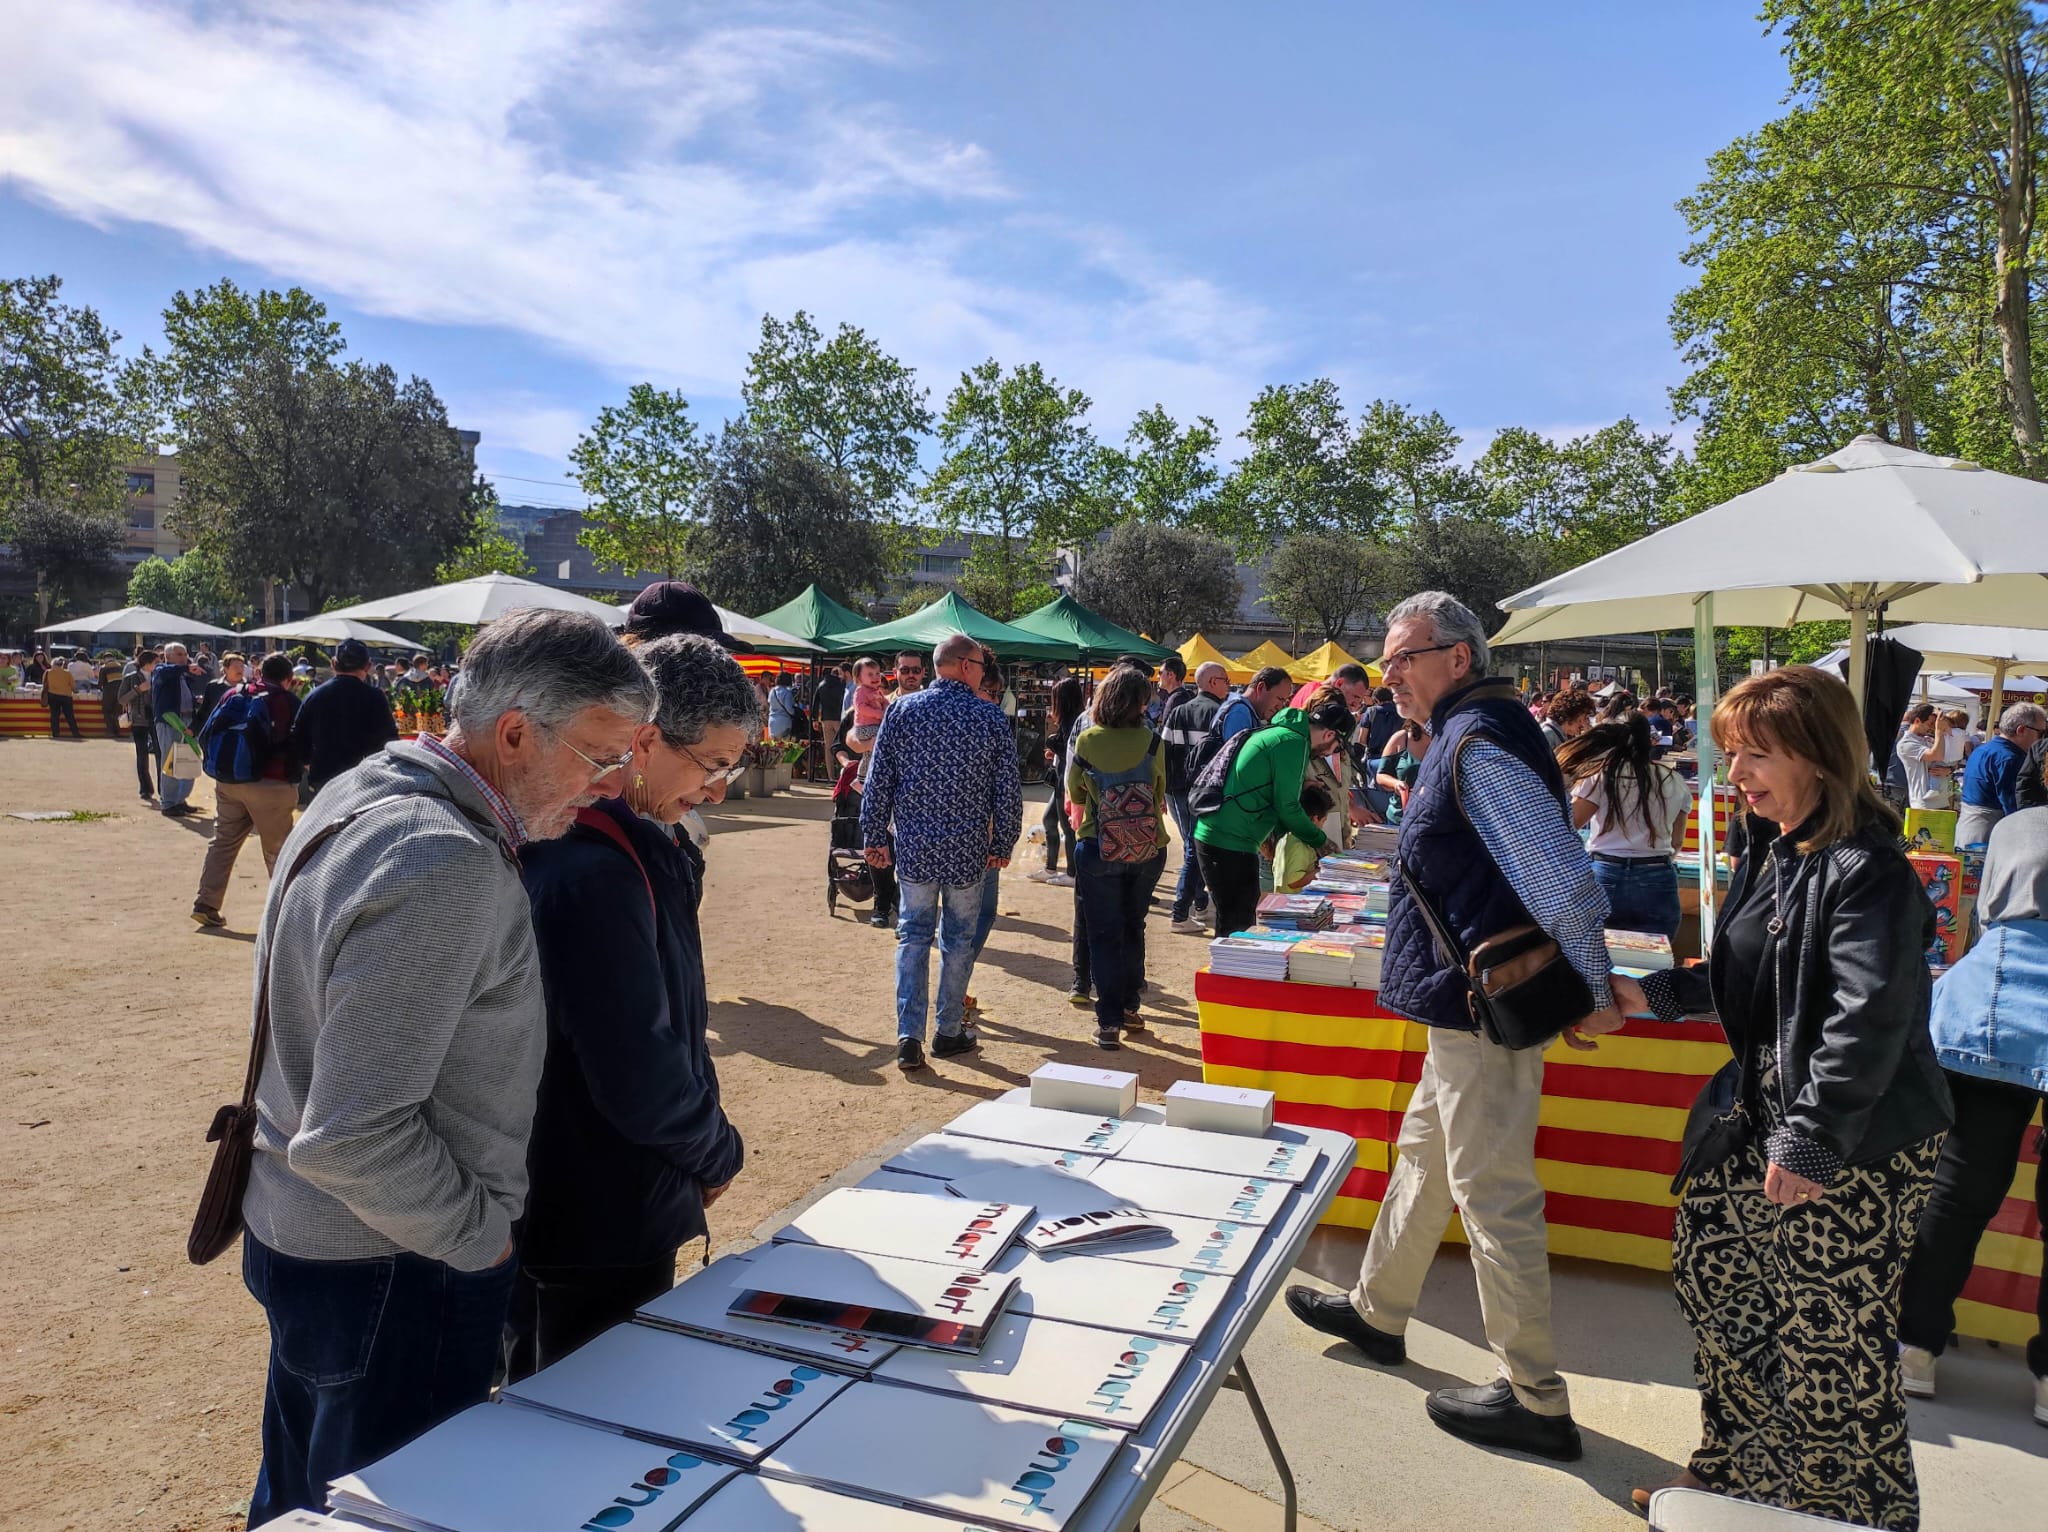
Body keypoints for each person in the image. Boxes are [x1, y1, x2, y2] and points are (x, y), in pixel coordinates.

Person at [237, 609, 654, 1526]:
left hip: (324, 1243)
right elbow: (354, 1136)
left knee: (308, 1497)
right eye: (599, 757)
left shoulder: (371, 790)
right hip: (396, 1262)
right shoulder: (442, 856)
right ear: (514, 733)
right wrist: (484, 1243)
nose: (612, 787)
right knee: (394, 1507)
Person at [1286, 590, 1626, 1464]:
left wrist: (1592, 984)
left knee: (1490, 1189)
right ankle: (1377, 1312)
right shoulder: (1475, 732)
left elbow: (1561, 879)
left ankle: (1535, 1397)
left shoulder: (1479, 741)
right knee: (1426, 1154)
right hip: (1463, 1004)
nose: (1388, 674)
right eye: (1389, 658)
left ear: (1459, 658)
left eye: (1404, 657)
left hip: (1483, 1007)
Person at [1623, 666, 1953, 1525]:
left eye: (1755, 756)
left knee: (1830, 1343)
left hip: (1855, 1139)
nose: (1735, 778)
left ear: (1818, 756)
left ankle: (1856, 1514)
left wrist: (1813, 1138)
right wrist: (1658, 995)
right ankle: (1740, 1471)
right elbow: (1755, 969)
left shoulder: (1866, 869)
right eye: (1732, 756)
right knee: (1719, 1282)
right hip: (1761, 1121)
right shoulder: (1779, 846)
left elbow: (1866, 1016)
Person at [511, 634, 754, 1374]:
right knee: (585, 1410)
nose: (718, 790)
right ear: (643, 742)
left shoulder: (628, 845)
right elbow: (636, 1069)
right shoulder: (596, 867)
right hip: (594, 1213)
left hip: (602, 1198)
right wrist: (716, 1151)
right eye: (713, 766)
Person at [1897, 797, 2048, 1427]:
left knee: (1956, 1195)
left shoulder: (2019, 824)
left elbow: (1984, 915)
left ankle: (1916, 1348)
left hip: (1991, 1003)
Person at [859, 633, 1021, 1072]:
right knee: (957, 940)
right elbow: (1007, 791)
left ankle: (908, 1036)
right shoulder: (989, 719)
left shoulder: (902, 711)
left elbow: (879, 781)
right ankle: (947, 1030)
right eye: (982, 668)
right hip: (968, 849)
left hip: (914, 846)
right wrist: (1004, 840)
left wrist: (873, 836)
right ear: (967, 666)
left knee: (912, 936)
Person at [1068, 666, 1170, 1048]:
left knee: (1104, 933)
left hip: (1099, 845)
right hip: (1148, 847)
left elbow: (1076, 794)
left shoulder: (1088, 740)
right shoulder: (1152, 741)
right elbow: (1159, 791)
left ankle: (1108, 1021)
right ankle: (1130, 1004)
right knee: (1134, 925)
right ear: (1141, 703)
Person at [1193, 699, 1345, 939]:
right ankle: (1231, 976)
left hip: (1223, 834)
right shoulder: (1294, 742)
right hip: (1229, 840)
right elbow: (1287, 807)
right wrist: (1321, 842)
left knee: (1235, 918)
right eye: (1335, 748)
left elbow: (1276, 799)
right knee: (1237, 925)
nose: (1328, 754)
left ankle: (1231, 973)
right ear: (1329, 734)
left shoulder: (1280, 733)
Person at [192, 653, 303, 929]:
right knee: (278, 851)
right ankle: (285, 917)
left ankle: (206, 903)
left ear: (258, 671)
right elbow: (299, 741)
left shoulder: (234, 693)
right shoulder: (287, 700)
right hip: (271, 784)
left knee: (223, 842)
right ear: (289, 678)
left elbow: (208, 731)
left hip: (229, 781)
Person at [1558, 714, 1692, 939]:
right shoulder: (1674, 780)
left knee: (1597, 955)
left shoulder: (1601, 777)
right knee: (1655, 958)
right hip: (1657, 874)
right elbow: (1677, 840)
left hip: (1605, 872)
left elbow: (1570, 824)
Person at [1159, 661, 1229, 932]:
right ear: (1213, 682)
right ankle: (1181, 912)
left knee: (1192, 846)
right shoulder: (1220, 714)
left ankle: (1198, 903)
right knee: (1194, 848)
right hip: (1206, 791)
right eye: (1225, 679)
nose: (1228, 684)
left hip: (1177, 787)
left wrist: (1162, 791)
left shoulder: (1178, 712)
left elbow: (1163, 752)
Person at [293, 639, 401, 797]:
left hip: (324, 779)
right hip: (364, 780)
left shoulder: (315, 696)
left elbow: (297, 735)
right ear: (368, 666)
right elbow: (390, 742)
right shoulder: (375, 698)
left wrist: (310, 763)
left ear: (333, 663)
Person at [1959, 702, 2046, 848]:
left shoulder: (1984, 749)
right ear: (2021, 730)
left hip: (1968, 828)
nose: (2042, 739)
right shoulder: (2010, 759)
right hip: (1989, 834)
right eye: (2041, 733)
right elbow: (2015, 807)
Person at [1028, 676, 1086, 885]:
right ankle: (1051, 867)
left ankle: (1072, 872)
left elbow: (1072, 750)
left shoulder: (1074, 721)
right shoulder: (1071, 720)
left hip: (1067, 781)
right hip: (1061, 778)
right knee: (1049, 820)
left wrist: (1053, 744)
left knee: (1067, 827)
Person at [152, 643, 202, 816]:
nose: (184, 657)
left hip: (188, 720)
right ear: (168, 656)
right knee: (170, 762)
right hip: (170, 722)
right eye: (179, 654)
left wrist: (196, 701)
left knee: (188, 761)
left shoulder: (183, 676)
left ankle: (180, 800)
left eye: (185, 654)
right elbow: (168, 672)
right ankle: (168, 803)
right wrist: (186, 667)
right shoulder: (161, 670)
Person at [1273, 780, 1338, 892]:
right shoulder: (1300, 846)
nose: (1323, 826)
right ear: (1314, 819)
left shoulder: (1287, 837)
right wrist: (1322, 871)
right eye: (1323, 821)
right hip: (1292, 904)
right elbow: (1293, 881)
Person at [1894, 703, 1956, 811]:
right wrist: (1939, 732)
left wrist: (1949, 770)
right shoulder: (1906, 744)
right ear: (1917, 721)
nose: (1932, 728)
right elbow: (1937, 755)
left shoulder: (1927, 739)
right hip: (1924, 804)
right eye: (1930, 724)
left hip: (1941, 800)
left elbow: (1950, 759)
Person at [120, 650, 159, 803]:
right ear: (147, 663)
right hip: (139, 719)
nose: (158, 665)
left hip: (157, 718)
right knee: (142, 754)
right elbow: (122, 699)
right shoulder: (131, 678)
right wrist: (138, 690)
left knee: (160, 753)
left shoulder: (158, 677)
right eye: (156, 662)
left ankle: (163, 789)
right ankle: (145, 788)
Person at [844, 656, 889, 754]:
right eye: (870, 674)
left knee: (871, 754)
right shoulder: (861, 691)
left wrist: (887, 708)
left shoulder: (877, 691)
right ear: (859, 678)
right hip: (864, 727)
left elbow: (885, 701)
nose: (875, 677)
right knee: (885, 735)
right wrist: (879, 713)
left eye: (877, 673)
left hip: (873, 726)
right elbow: (861, 708)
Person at [1291, 661, 1372, 713]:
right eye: (1355, 697)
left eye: (1360, 701)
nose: (1356, 705)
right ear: (1339, 683)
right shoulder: (1321, 698)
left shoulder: (1310, 687)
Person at [40, 651, 82, 739]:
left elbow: (44, 683)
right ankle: (75, 733)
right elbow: (73, 687)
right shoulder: (67, 673)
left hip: (52, 696)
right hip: (66, 696)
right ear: (62, 664)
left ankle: (56, 733)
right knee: (70, 715)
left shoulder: (48, 672)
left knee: (54, 715)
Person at [813, 663, 846, 763]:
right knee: (842, 746)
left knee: (828, 748)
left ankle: (830, 775)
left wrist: (814, 719)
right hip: (839, 719)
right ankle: (843, 772)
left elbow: (815, 703)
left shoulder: (821, 686)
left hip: (826, 719)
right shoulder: (841, 684)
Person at [1146, 654, 1188, 730]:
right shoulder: (1180, 696)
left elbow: (1168, 732)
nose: (1158, 676)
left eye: (1160, 673)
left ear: (1171, 675)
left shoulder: (1176, 699)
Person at [96, 651, 124, 738]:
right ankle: (117, 731)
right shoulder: (120, 666)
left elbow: (100, 683)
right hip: (120, 692)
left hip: (109, 692)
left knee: (107, 711)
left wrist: (98, 687)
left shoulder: (104, 668)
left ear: (104, 659)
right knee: (117, 712)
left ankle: (111, 731)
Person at [766, 672, 800, 740]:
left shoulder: (772, 691)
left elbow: (769, 704)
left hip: (772, 722)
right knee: (784, 746)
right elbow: (789, 710)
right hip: (784, 722)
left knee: (774, 747)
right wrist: (795, 713)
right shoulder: (787, 693)